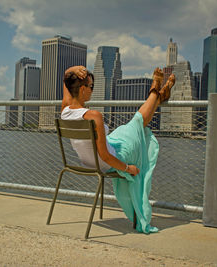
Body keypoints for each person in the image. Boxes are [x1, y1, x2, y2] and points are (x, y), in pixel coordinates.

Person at [61, 65, 175, 233]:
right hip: (108, 160)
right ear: (83, 89)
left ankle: (157, 95)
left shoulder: (65, 110)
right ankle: (155, 92)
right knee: (136, 123)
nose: (92, 90)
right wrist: (128, 169)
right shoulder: (94, 116)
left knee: (126, 128)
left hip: (87, 161)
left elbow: (66, 80)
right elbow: (106, 156)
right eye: (91, 87)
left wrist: (73, 69)